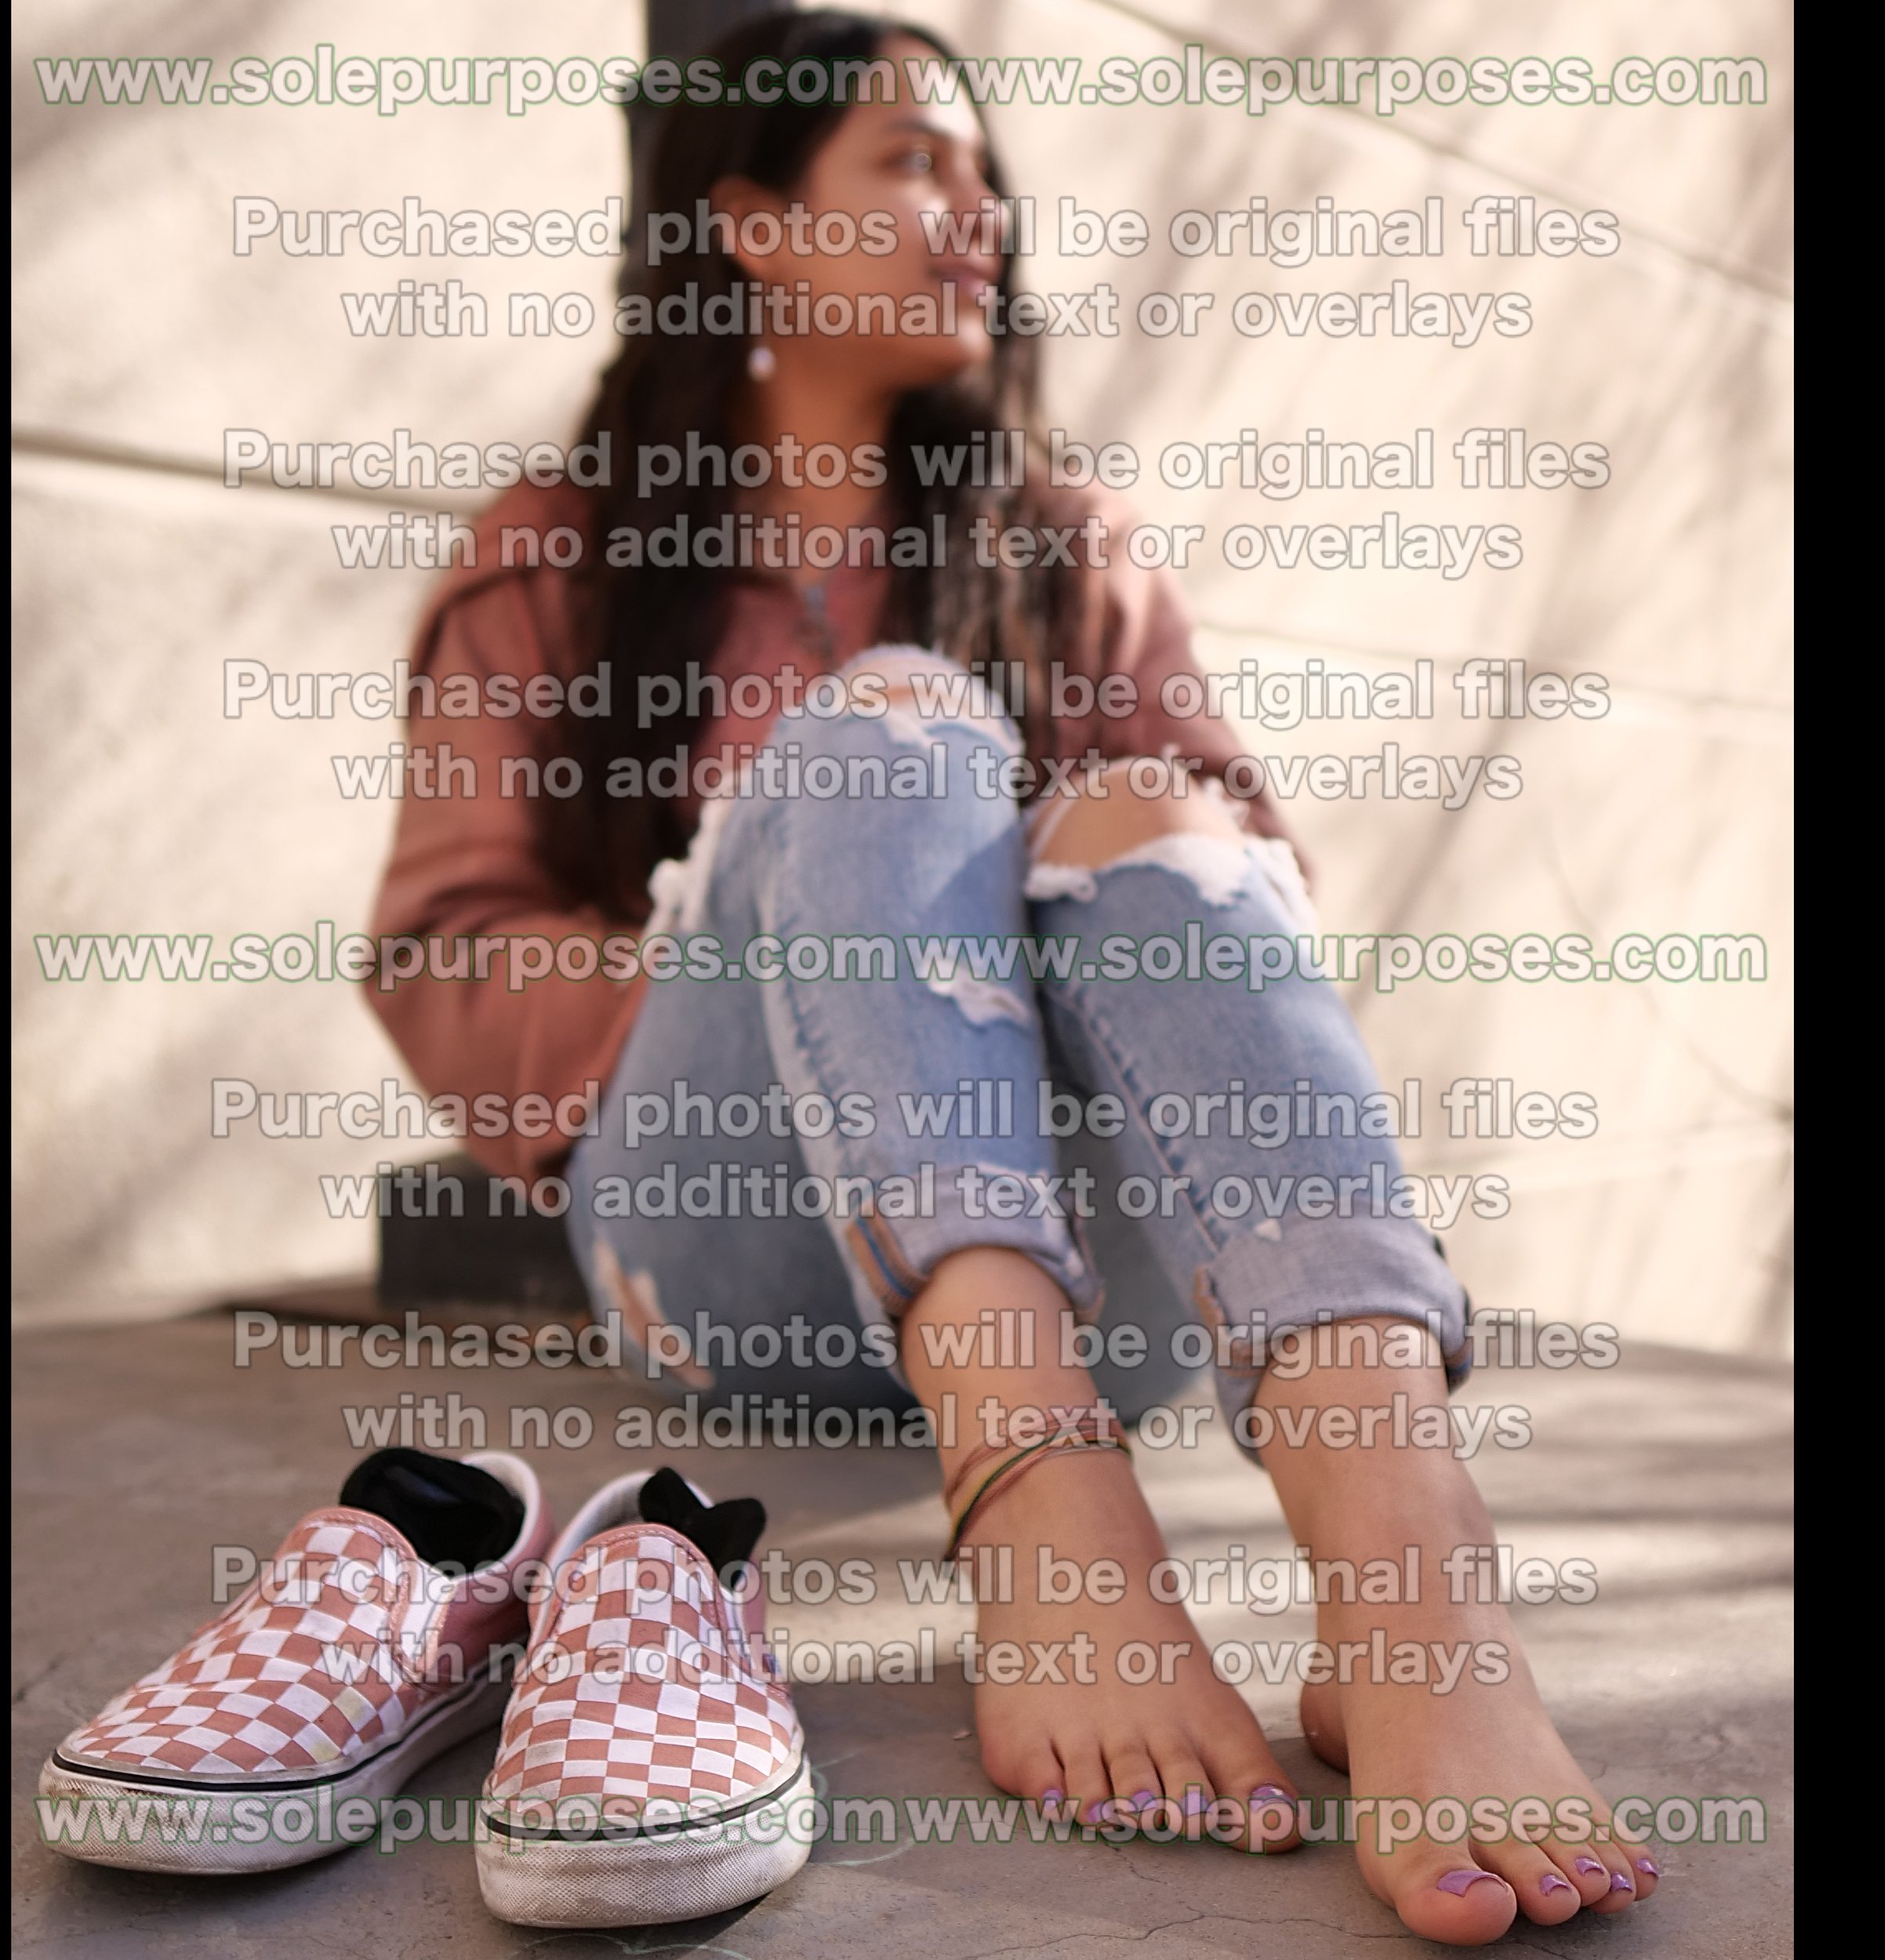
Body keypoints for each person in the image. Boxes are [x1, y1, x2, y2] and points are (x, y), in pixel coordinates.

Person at [368, 9, 1659, 1943]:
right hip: (736, 1253)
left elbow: (1237, 887)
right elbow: (447, 943)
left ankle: (1408, 1568)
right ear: (749, 225)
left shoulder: (1064, 549)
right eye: (909, 162)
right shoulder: (559, 558)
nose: (976, 213)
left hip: (1106, 1285)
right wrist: (818, 954)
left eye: (983, 175)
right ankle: (1041, 1511)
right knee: (887, 732)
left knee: (1144, 804)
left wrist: (1007, 930)